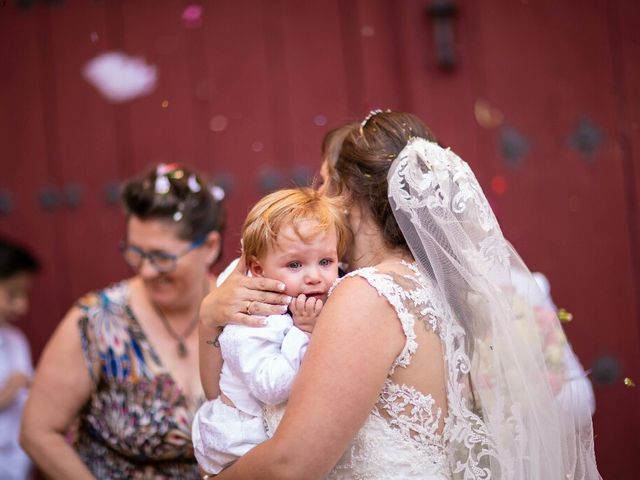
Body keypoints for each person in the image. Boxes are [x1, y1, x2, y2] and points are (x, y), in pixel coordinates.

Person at [198, 111, 601, 479]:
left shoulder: (368, 295)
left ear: (348, 194)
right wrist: (211, 319)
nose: (317, 197)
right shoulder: (441, 291)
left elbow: (291, 464)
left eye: (324, 182)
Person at [21, 163, 225, 479]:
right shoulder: (96, 320)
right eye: (135, 253)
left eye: (162, 257)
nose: (146, 271)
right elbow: (38, 431)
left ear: (210, 247)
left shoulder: (241, 312)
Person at [192, 188, 350, 475]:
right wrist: (302, 332)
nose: (315, 276)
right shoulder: (252, 321)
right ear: (257, 269)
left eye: (326, 262)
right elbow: (271, 387)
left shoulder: (315, 292)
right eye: (294, 264)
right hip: (239, 442)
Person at [0, 237, 39, 480]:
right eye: (13, 294)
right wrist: (6, 393)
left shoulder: (16, 341)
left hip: (17, 465)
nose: (22, 306)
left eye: (25, 294)